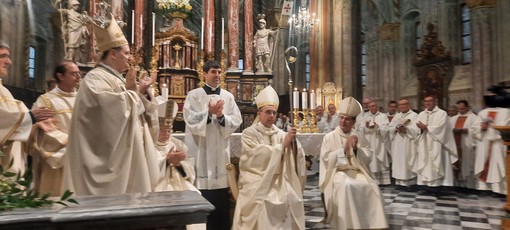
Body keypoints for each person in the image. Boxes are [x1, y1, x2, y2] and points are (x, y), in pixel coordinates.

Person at [61, 16, 161, 195]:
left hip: (127, 156)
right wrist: (133, 92)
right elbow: (112, 114)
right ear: (113, 53)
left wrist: (141, 92)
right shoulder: (94, 79)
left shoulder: (115, 78)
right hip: (105, 161)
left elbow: (133, 109)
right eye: (127, 53)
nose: (130, 58)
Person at [233, 86, 306, 230]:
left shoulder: (281, 133)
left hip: (280, 177)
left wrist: (293, 145)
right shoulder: (249, 133)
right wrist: (281, 147)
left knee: (290, 195)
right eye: (268, 112)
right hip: (257, 178)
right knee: (265, 201)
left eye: (274, 112)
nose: (272, 115)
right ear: (259, 113)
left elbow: (298, 157)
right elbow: (253, 157)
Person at [183, 60, 242, 230]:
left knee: (221, 198)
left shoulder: (228, 96)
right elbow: (190, 118)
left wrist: (222, 116)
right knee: (203, 194)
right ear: (205, 74)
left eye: (219, 72)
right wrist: (208, 113)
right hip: (201, 149)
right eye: (213, 72)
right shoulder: (194, 95)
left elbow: (236, 120)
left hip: (220, 150)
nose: (217, 75)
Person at [319, 97, 388, 230]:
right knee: (348, 186)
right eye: (342, 118)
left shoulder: (358, 136)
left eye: (347, 119)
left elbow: (368, 156)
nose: (343, 121)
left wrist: (356, 149)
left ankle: (369, 224)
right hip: (337, 172)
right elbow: (326, 159)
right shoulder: (329, 137)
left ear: (353, 122)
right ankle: (349, 225)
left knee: (372, 186)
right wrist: (343, 151)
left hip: (357, 170)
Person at [0, 40, 54, 174]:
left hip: (13, 162)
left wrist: (35, 125)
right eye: (3, 56)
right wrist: (30, 118)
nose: (9, 62)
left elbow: (20, 121)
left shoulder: (5, 91)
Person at [28, 60, 80, 196]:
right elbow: (42, 130)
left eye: (79, 73)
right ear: (61, 76)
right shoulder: (46, 100)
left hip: (80, 156)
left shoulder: (83, 99)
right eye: (73, 73)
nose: (78, 77)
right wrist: (71, 143)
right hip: (57, 158)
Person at [414, 96, 458, 187]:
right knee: (425, 162)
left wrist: (426, 127)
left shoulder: (442, 113)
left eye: (430, 101)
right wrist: (420, 129)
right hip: (425, 142)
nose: (428, 103)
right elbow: (416, 128)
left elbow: (442, 128)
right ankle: (426, 184)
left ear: (435, 102)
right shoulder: (421, 114)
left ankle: (440, 185)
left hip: (438, 142)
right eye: (426, 101)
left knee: (438, 163)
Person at [471, 104, 510, 194]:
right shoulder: (483, 112)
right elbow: (474, 128)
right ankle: (483, 190)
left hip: (499, 144)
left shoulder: (506, 112)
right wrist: (481, 127)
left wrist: (490, 128)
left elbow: (506, 128)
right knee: (483, 167)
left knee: (498, 168)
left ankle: (500, 191)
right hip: (484, 144)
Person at [388, 98, 419, 186]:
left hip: (408, 142)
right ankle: (399, 183)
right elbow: (390, 128)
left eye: (404, 104)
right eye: (400, 105)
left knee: (407, 160)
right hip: (398, 142)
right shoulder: (397, 116)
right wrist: (396, 128)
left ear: (408, 105)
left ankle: (410, 183)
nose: (402, 106)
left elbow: (417, 129)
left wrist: (406, 129)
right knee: (399, 161)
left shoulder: (414, 115)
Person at [358, 101, 391, 185]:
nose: (372, 108)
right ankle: (371, 179)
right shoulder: (365, 116)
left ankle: (383, 181)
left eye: (374, 106)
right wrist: (366, 127)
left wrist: (376, 126)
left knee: (379, 159)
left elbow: (386, 129)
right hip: (368, 141)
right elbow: (360, 129)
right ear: (368, 108)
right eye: (370, 106)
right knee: (371, 159)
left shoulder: (383, 116)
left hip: (379, 140)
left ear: (377, 107)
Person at [449, 100, 479, 188]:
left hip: (467, 145)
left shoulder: (474, 117)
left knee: (467, 164)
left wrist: (464, 130)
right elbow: (447, 130)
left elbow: (477, 130)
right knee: (455, 163)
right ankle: (457, 185)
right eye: (458, 109)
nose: (460, 111)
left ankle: (469, 186)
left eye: (462, 109)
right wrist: (453, 130)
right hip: (455, 144)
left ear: (467, 107)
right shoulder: (453, 118)